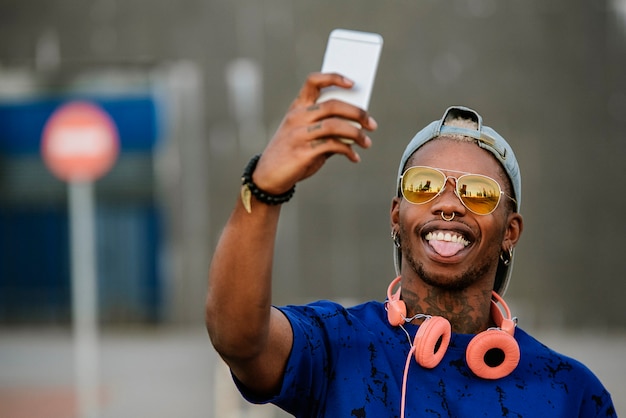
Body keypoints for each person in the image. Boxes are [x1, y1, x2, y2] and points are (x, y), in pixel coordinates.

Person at [205, 73, 616, 417]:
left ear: (510, 231)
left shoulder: (571, 393)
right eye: (425, 186)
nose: (449, 204)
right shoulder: (336, 345)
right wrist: (263, 190)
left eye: (478, 193)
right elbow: (239, 339)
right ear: (396, 217)